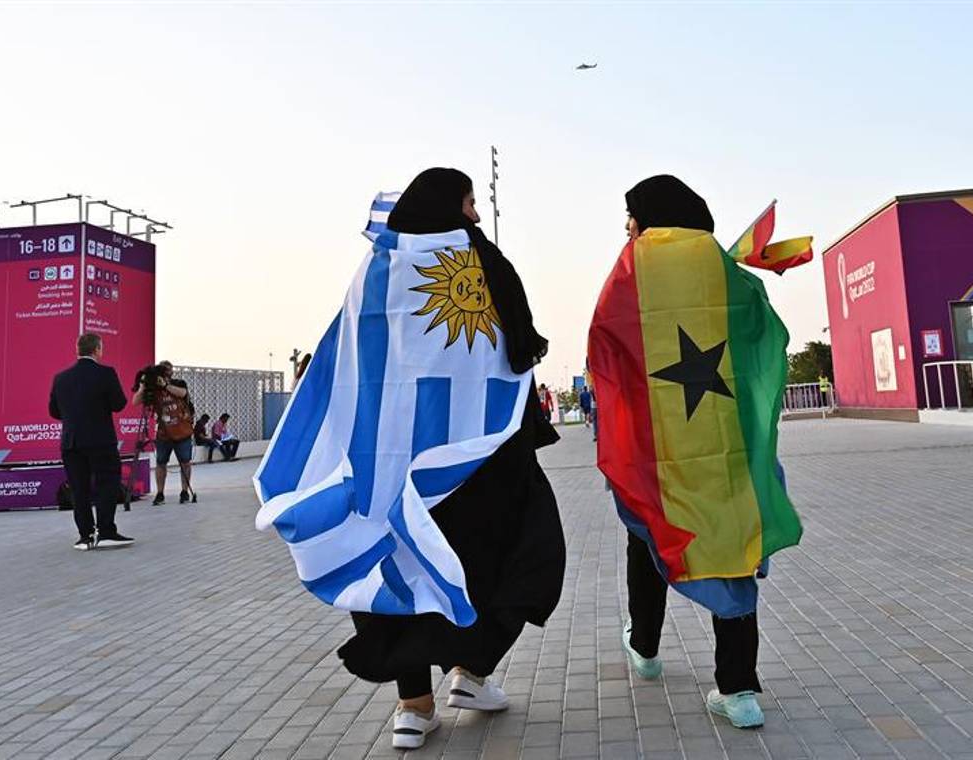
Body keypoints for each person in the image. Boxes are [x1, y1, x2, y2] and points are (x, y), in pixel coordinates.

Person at [321, 168, 564, 750]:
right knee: (515, 557)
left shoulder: (376, 268)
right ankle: (471, 671)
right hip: (483, 459)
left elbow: (351, 362)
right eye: (470, 202)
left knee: (402, 566)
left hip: (395, 460)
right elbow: (518, 351)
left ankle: (414, 706)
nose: (475, 215)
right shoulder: (484, 262)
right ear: (452, 205)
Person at [589, 175, 803, 730]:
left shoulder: (634, 267)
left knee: (649, 530)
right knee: (733, 544)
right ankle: (739, 690)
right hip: (726, 449)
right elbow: (761, 334)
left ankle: (645, 645)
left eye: (631, 215)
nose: (627, 226)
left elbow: (606, 347)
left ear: (648, 215)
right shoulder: (721, 265)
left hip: (658, 452)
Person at [48, 333, 134, 550]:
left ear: (77, 350)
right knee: (107, 484)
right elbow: (119, 404)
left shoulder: (61, 378)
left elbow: (54, 411)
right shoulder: (106, 373)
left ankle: (85, 536)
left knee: (79, 489)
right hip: (100, 440)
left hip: (71, 442)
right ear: (97, 350)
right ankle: (106, 532)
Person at [133, 360, 195, 504]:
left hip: (182, 431)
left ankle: (184, 491)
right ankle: (160, 493)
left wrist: (166, 385)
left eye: (168, 369)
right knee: (161, 463)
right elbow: (135, 402)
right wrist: (142, 387)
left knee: (185, 462)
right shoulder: (153, 388)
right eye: (163, 370)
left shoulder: (179, 383)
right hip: (163, 433)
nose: (166, 372)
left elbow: (183, 393)